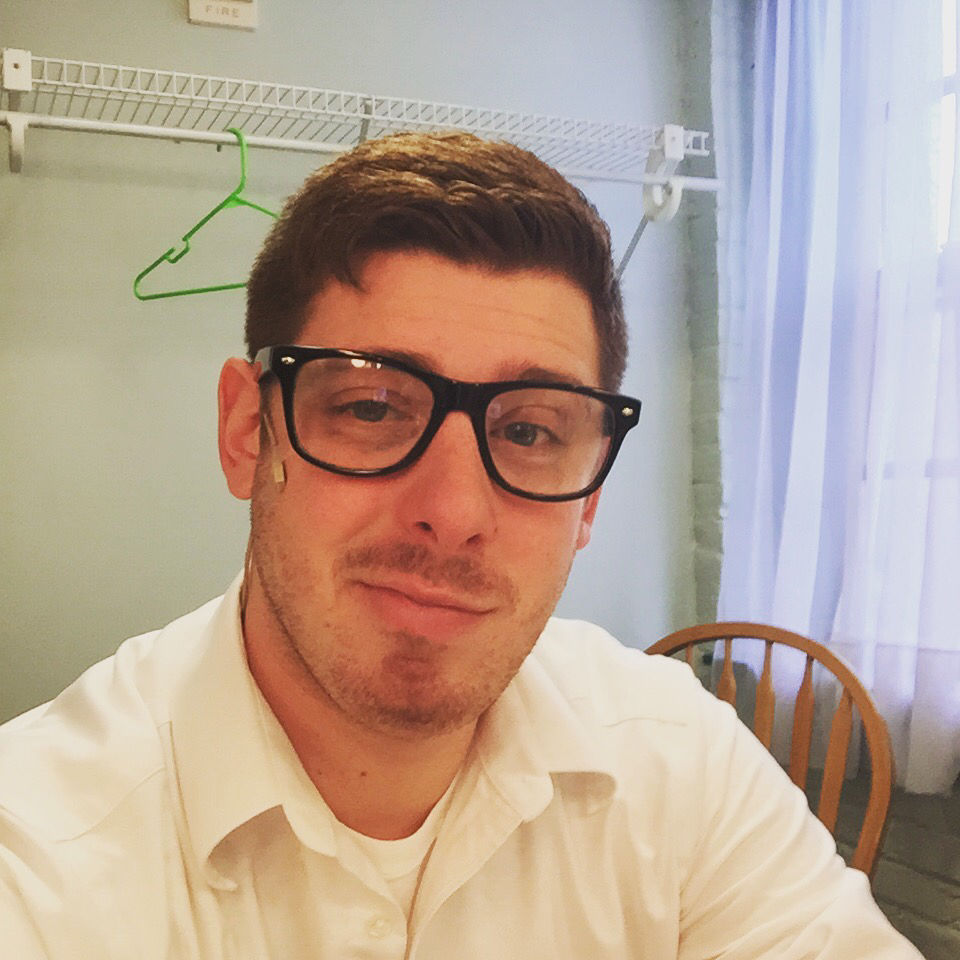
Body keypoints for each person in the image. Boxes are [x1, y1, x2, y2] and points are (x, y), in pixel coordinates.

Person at [0, 132, 922, 959]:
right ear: (249, 433)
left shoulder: (678, 760)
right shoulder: (40, 850)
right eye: (371, 407)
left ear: (590, 497)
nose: (453, 511)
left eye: (528, 432)